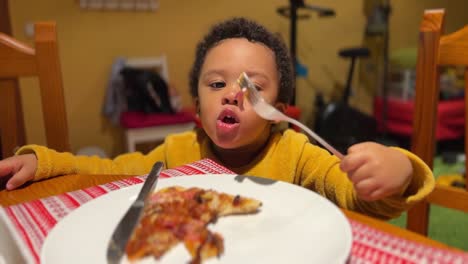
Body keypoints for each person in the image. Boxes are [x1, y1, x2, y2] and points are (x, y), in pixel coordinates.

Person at [0, 17, 434, 219]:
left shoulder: (297, 153)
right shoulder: (178, 151)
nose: (232, 93)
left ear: (279, 114)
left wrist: (399, 172)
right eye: (216, 85)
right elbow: (108, 172)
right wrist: (46, 163)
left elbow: (357, 197)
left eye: (253, 88)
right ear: (197, 107)